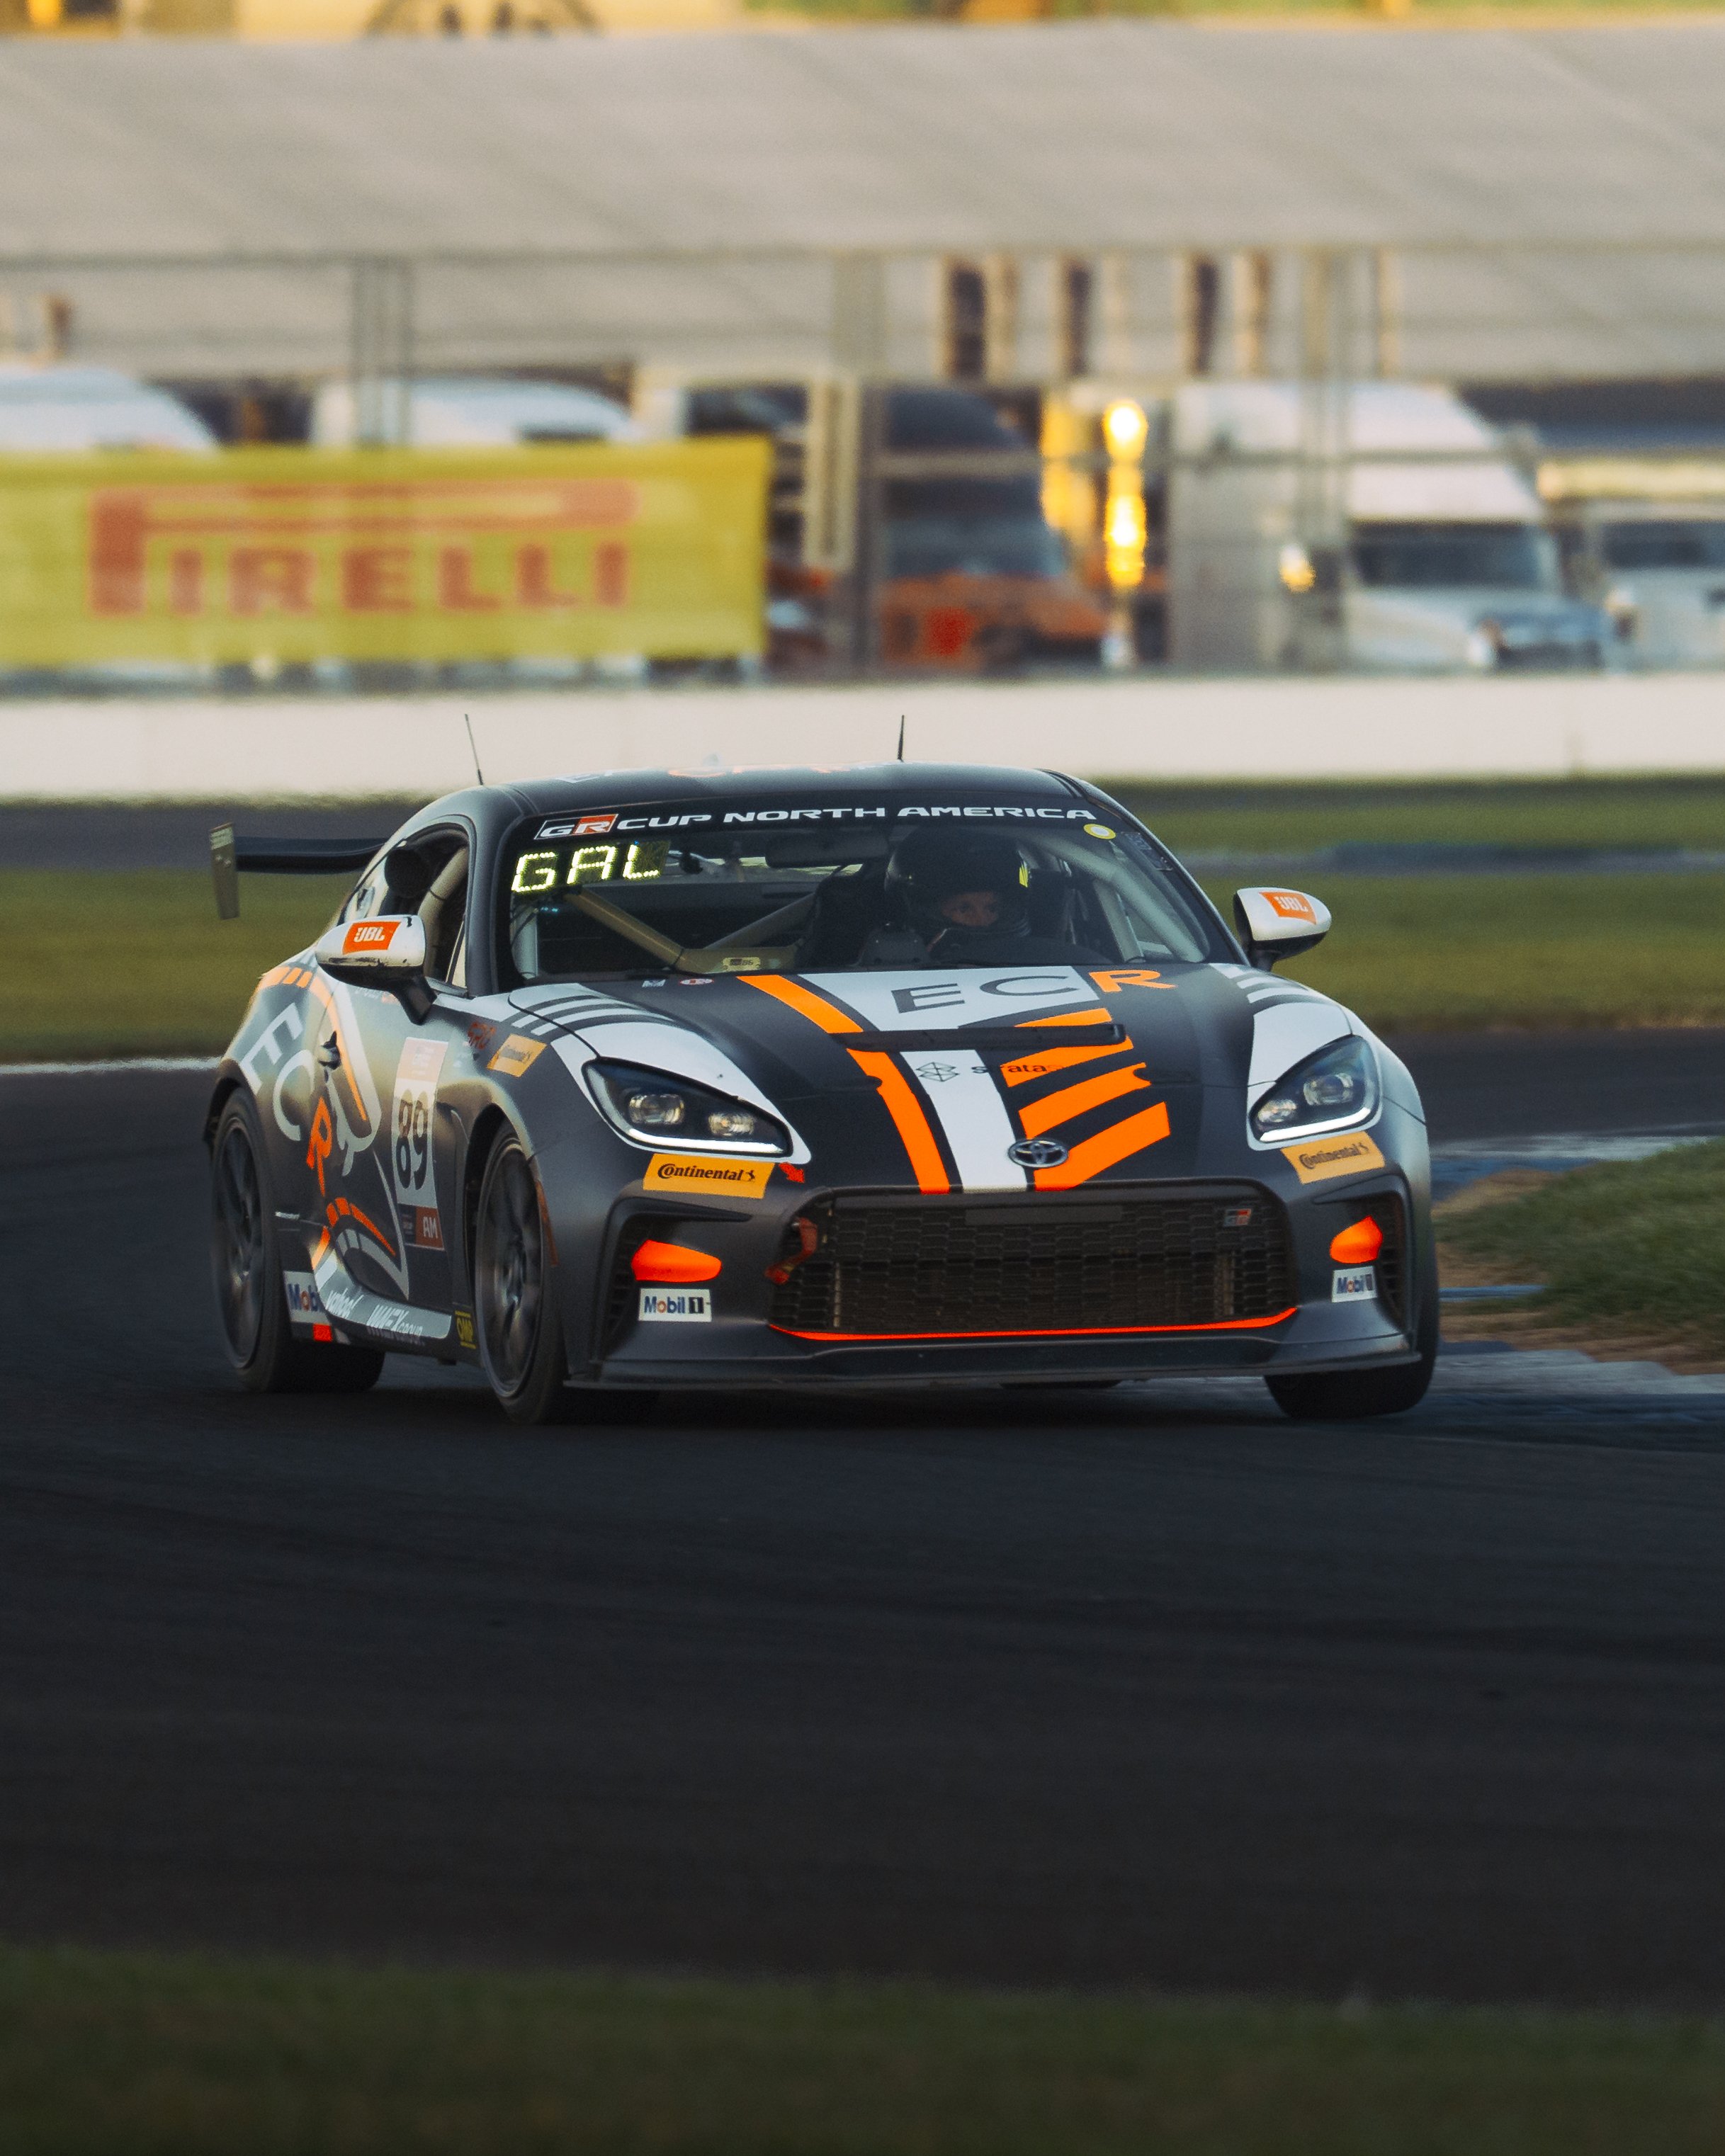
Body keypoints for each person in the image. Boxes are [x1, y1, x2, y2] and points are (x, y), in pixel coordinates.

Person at [876, 826, 1105, 965]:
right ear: (922, 909)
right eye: (965, 909)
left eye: (992, 909)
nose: (982, 921)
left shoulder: (1047, 961)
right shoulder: (881, 971)